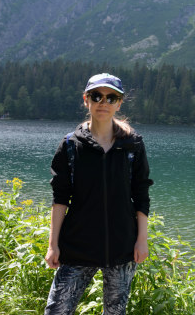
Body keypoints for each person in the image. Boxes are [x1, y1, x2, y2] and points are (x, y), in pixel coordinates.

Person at [44, 73, 153, 315]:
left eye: (111, 97)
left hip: (122, 247)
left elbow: (141, 194)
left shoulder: (132, 145)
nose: (103, 102)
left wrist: (141, 239)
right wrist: (53, 245)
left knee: (115, 312)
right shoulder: (71, 146)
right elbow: (60, 198)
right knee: (56, 311)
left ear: (119, 103)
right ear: (86, 100)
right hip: (77, 245)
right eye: (96, 96)